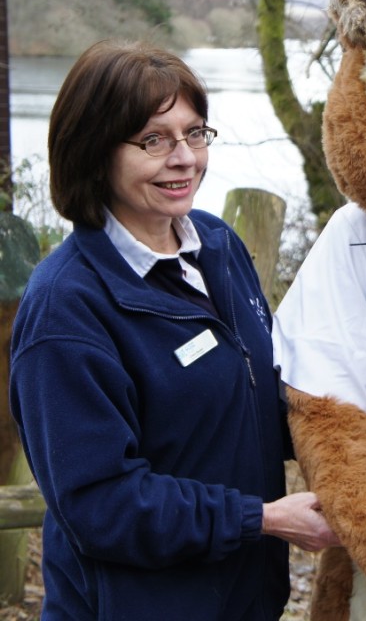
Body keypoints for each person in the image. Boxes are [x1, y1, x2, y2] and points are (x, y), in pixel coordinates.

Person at [8, 40, 339, 620]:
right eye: (153, 140)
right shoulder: (66, 309)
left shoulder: (217, 246)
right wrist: (260, 518)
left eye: (195, 133)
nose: (184, 157)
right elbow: (100, 504)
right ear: (93, 151)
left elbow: (256, 397)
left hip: (244, 598)